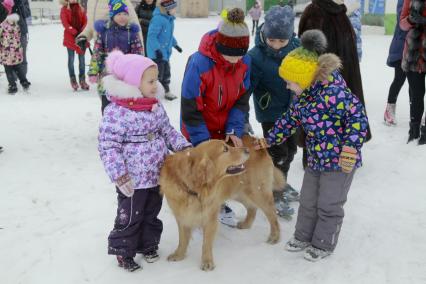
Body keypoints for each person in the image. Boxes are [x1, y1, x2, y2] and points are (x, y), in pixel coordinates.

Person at [257, 30, 368, 261]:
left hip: (340, 161)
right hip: (316, 159)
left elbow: (358, 118)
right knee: (308, 201)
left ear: (306, 78)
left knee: (329, 204)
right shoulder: (303, 97)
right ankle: (303, 236)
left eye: (290, 82)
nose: (287, 87)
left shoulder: (335, 94)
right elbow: (289, 120)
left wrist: (350, 147)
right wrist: (270, 138)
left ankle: (323, 243)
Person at [98, 50, 191, 271]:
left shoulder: (154, 106)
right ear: (132, 82)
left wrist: (183, 147)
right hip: (132, 179)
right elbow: (108, 146)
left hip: (157, 174)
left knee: (151, 212)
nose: (155, 84)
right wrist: (119, 175)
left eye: (156, 79)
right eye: (150, 80)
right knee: (130, 216)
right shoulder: (116, 113)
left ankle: (148, 244)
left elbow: (167, 131)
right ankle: (124, 251)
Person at [180, 8, 251, 227]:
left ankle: (218, 203)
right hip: (199, 128)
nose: (235, 60)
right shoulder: (199, 64)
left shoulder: (244, 62)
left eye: (240, 54)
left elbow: (242, 100)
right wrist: (203, 143)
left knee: (220, 170)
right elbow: (190, 108)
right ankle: (196, 207)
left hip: (224, 129)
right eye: (231, 55)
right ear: (220, 47)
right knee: (200, 172)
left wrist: (233, 129)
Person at [298, 0, 371, 168]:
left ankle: (340, 154)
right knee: (319, 120)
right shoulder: (315, 12)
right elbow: (309, 53)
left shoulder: (339, 13)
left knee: (342, 119)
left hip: (345, 81)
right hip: (323, 84)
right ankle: (312, 158)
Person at [248, 5, 300, 219]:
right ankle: (274, 193)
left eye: (282, 40)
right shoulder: (256, 56)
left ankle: (280, 182)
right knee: (279, 153)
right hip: (270, 111)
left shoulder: (297, 51)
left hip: (293, 111)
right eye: (272, 40)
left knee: (291, 150)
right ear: (265, 33)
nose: (276, 45)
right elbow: (246, 87)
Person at [87, 0, 144, 113]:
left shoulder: (132, 33)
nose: (122, 17)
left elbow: (138, 55)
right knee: (106, 101)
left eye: (125, 14)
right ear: (112, 15)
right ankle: (107, 123)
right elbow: (97, 52)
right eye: (119, 14)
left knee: (125, 101)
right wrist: (93, 71)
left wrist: (139, 71)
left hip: (125, 75)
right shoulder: (103, 32)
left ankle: (124, 124)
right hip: (106, 73)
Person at [400, 0, 426, 144]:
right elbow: (402, 24)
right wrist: (410, 19)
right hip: (413, 55)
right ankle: (414, 129)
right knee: (416, 95)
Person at [146, 0, 182, 100]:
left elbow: (169, 35)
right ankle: (152, 92)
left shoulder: (169, 19)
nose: (175, 10)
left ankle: (166, 91)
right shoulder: (157, 19)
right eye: (174, 8)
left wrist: (175, 45)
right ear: (167, 9)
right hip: (156, 53)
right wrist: (157, 50)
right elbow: (152, 36)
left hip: (165, 53)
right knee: (157, 74)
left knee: (166, 72)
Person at [75, 0, 142, 51]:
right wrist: (84, 36)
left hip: (120, 51)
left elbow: (134, 26)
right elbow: (91, 25)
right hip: (100, 50)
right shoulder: (91, 1)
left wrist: (140, 59)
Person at [384, 0, 408, 126]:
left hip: (419, 46)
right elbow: (402, 18)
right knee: (399, 78)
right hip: (402, 45)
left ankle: (417, 113)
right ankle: (389, 109)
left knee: (416, 85)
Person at [0, 1, 30, 94]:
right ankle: (19, 82)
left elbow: (27, 13)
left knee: (17, 62)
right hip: (10, 41)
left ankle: (17, 83)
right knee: (13, 64)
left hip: (15, 37)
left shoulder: (21, 1)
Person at [60, 0, 89, 91]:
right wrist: (73, 31)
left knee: (82, 60)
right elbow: (65, 23)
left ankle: (82, 80)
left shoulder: (81, 8)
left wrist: (82, 32)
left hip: (81, 38)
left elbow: (85, 21)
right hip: (70, 38)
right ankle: (73, 80)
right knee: (71, 59)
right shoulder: (64, 9)